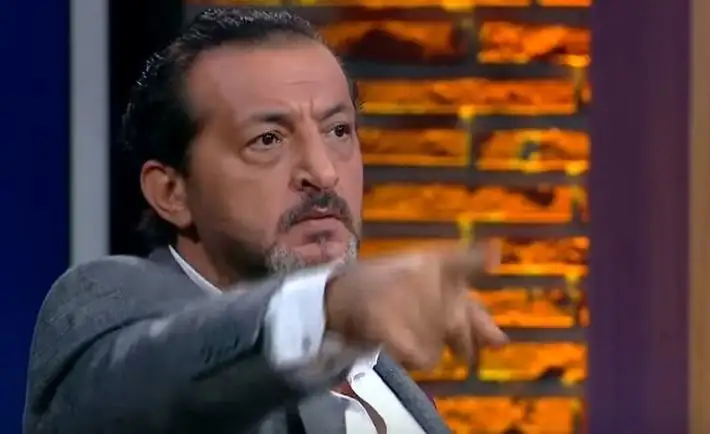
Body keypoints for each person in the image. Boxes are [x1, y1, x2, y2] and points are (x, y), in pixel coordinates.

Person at [24, 7, 508, 434]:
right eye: (268, 140)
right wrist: (327, 309)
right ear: (171, 192)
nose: (323, 172)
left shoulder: (384, 377)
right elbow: (142, 387)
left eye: (339, 130)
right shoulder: (107, 308)